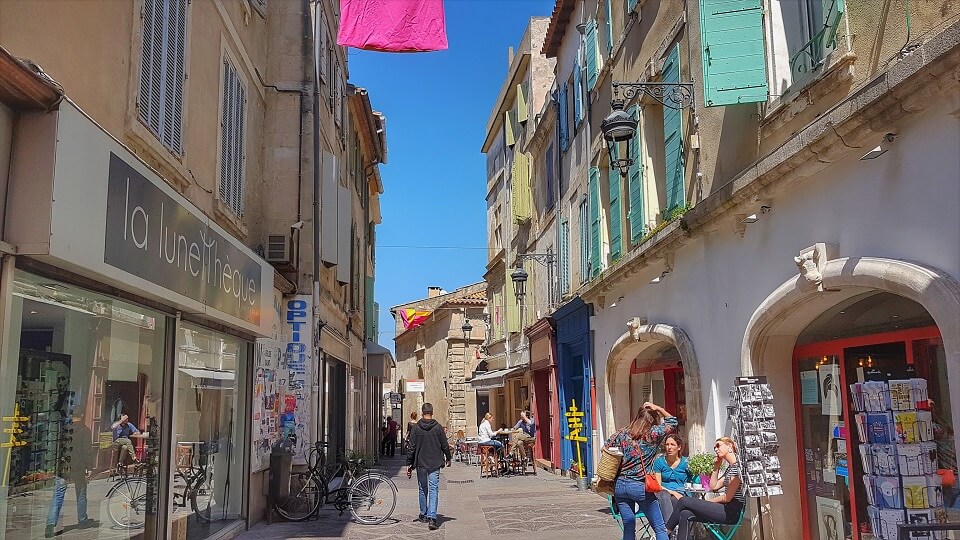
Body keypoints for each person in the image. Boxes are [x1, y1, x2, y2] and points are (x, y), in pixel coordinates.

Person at [604, 401, 677, 540]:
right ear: (653, 420)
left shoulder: (623, 432)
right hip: (640, 485)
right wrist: (658, 408)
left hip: (620, 485)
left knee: (629, 525)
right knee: (659, 527)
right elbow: (672, 421)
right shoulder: (652, 434)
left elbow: (607, 446)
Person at [666, 437, 746, 539]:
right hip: (724, 508)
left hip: (732, 511)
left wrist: (707, 502)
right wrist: (716, 467)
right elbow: (713, 487)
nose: (716, 449)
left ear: (729, 446)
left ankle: (664, 533)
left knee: (683, 501)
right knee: (684, 514)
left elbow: (727, 498)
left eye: (718, 446)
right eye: (714, 448)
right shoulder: (730, 468)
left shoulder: (738, 468)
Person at [46, 411, 98, 538]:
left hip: (63, 467)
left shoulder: (65, 429)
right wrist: (89, 468)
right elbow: (87, 451)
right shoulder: (84, 430)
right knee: (81, 493)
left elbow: (57, 447)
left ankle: (50, 524)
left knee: (58, 494)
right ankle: (82, 520)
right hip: (78, 468)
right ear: (82, 416)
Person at [406, 403, 452, 531]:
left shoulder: (416, 428)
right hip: (435, 462)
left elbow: (412, 447)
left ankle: (423, 514)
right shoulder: (437, 428)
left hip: (420, 462)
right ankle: (432, 518)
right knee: (433, 489)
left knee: (422, 488)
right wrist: (448, 458)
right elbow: (444, 445)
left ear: (422, 413)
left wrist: (408, 463)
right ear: (432, 412)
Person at [651, 434, 693, 523]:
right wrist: (673, 492)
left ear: (679, 447)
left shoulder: (686, 462)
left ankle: (670, 529)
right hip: (664, 492)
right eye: (667, 444)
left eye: (672, 444)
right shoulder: (659, 462)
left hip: (682, 493)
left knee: (675, 501)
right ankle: (671, 529)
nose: (669, 447)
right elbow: (658, 485)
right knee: (664, 495)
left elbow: (695, 479)